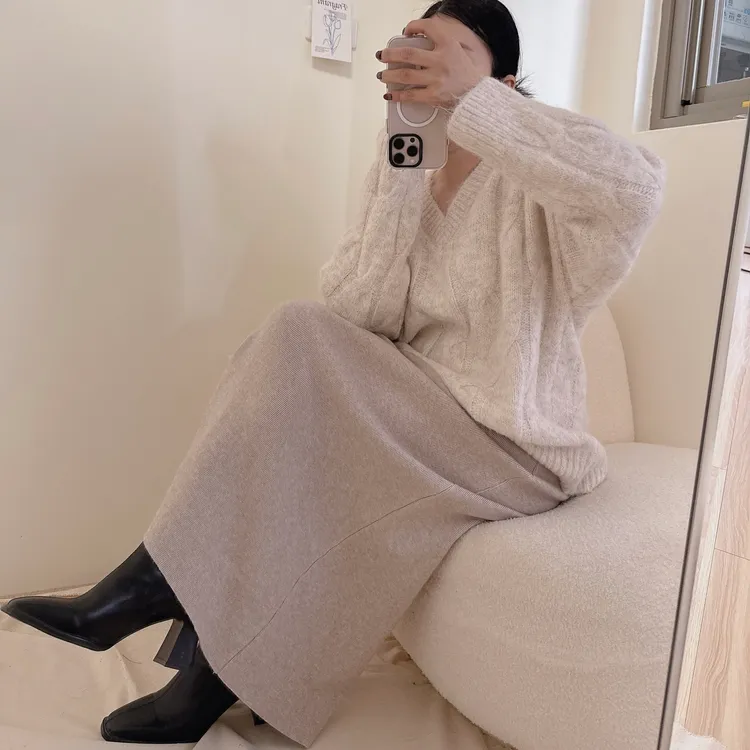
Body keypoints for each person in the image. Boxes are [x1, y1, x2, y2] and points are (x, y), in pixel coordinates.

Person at [2, 1, 665, 746]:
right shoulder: (410, 161)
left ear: (503, 82)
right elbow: (359, 309)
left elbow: (636, 190)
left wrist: (476, 106)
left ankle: (155, 584)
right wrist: (404, 170)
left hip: (515, 447)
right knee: (291, 364)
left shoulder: (542, 182)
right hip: (418, 420)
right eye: (413, 47)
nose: (420, 61)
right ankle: (211, 670)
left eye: (445, 52)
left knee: (296, 338)